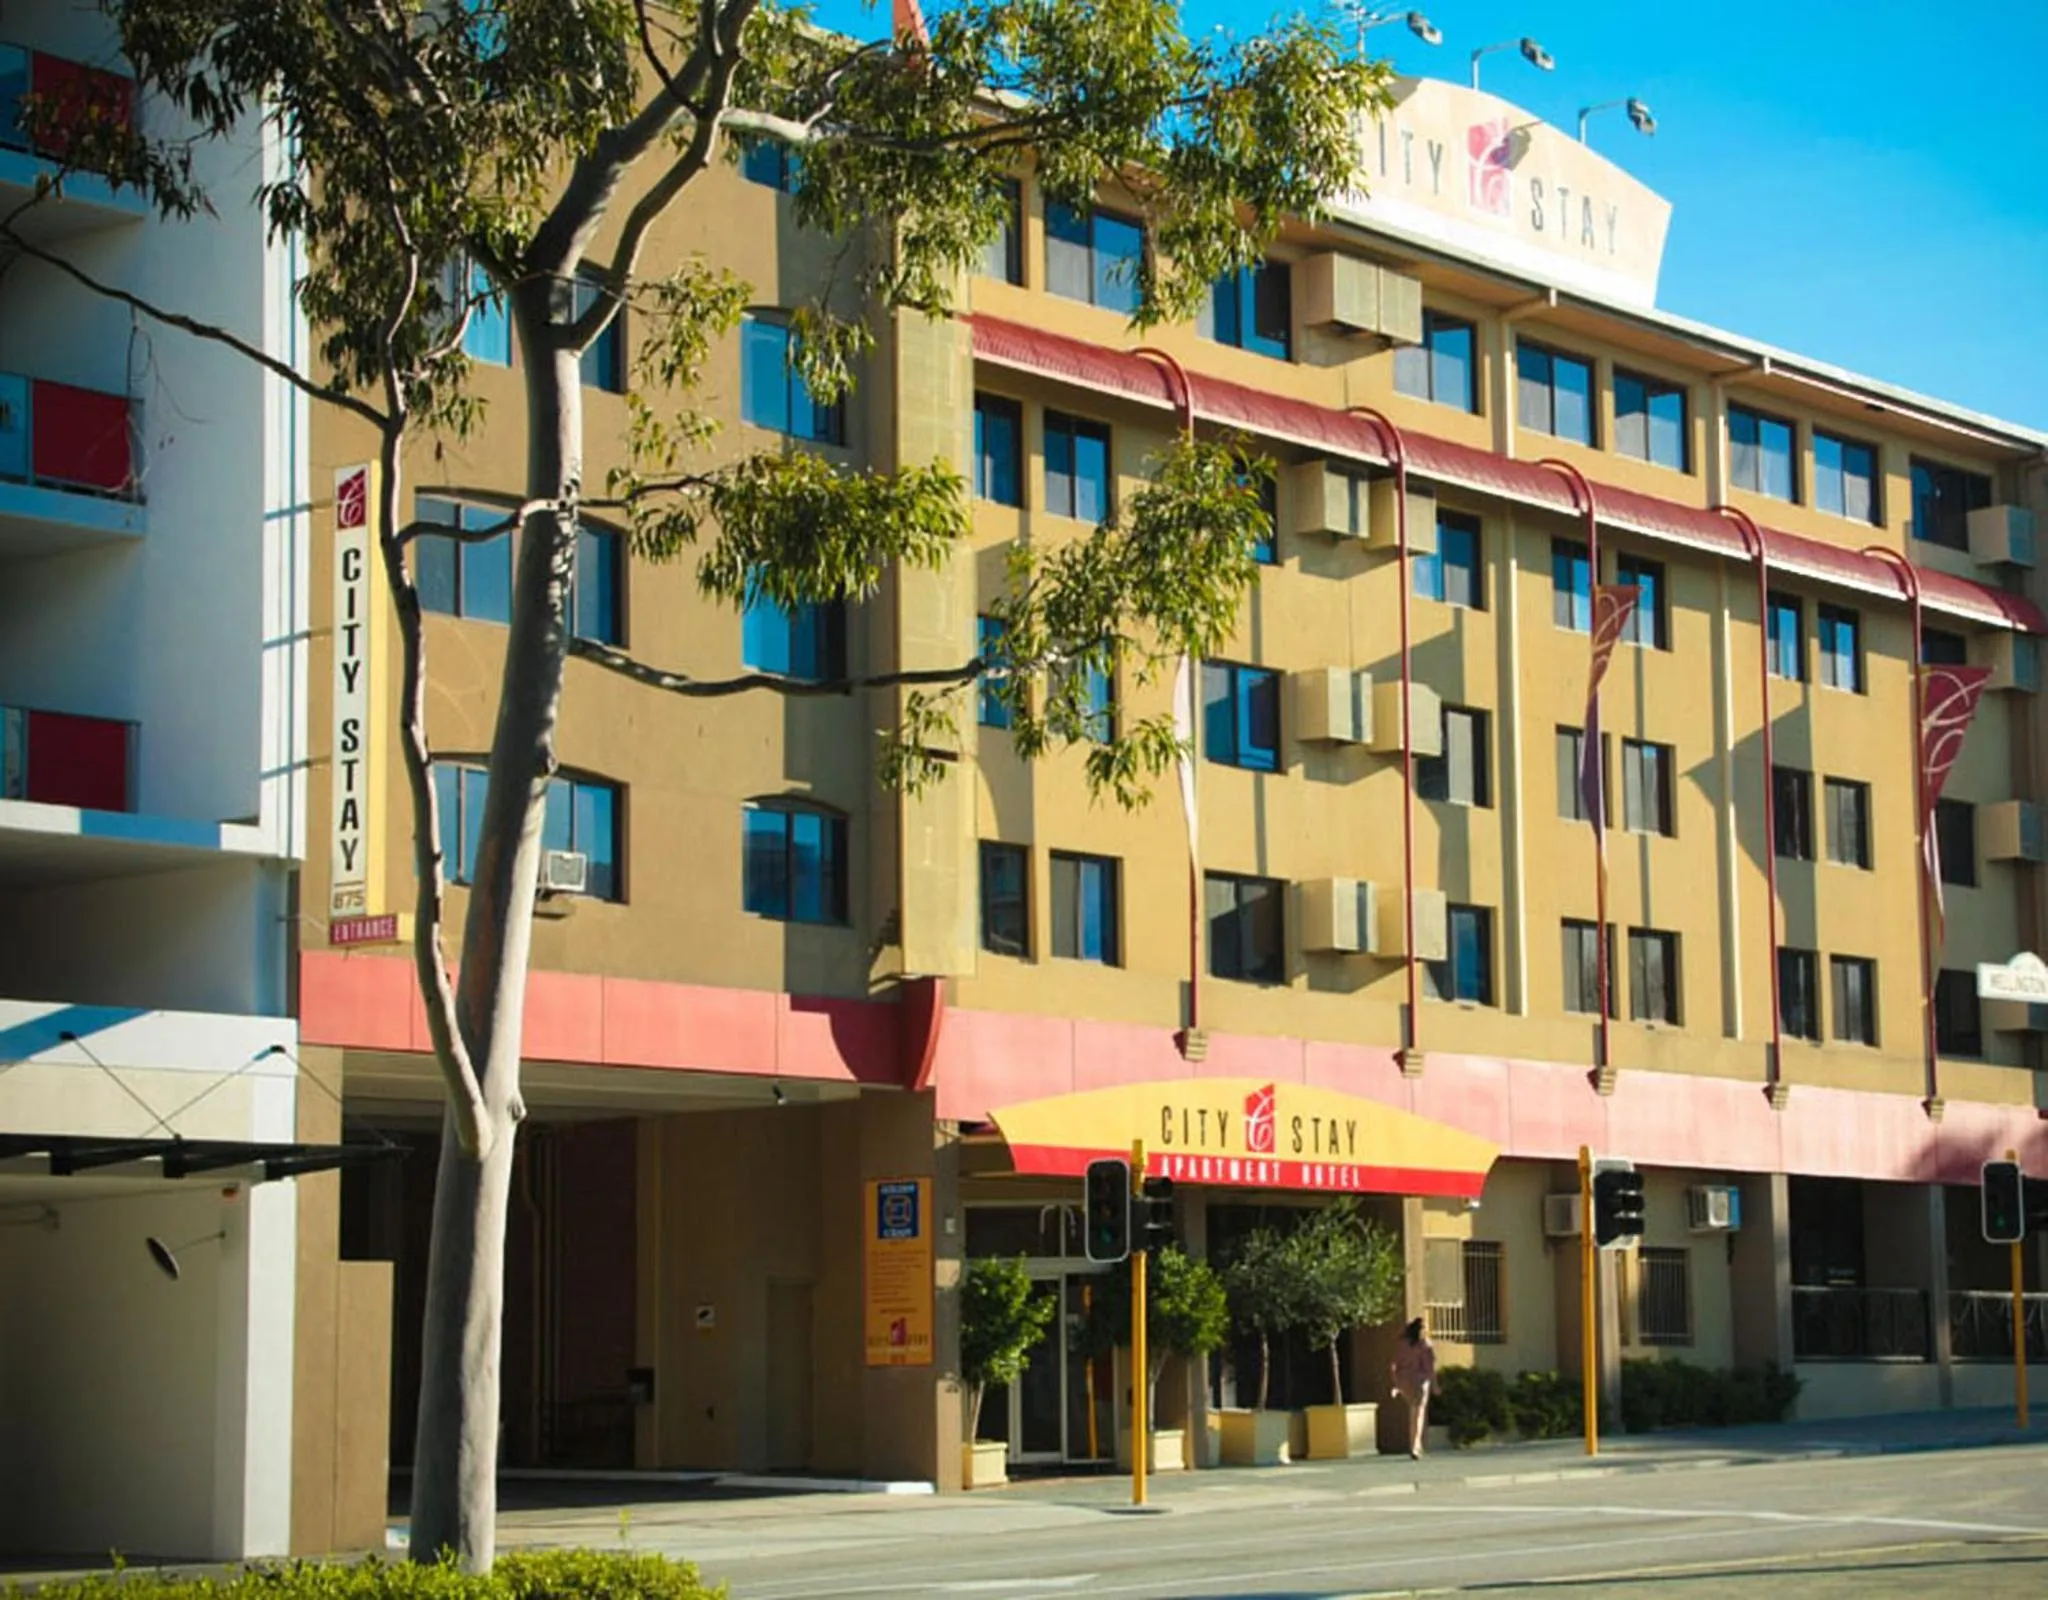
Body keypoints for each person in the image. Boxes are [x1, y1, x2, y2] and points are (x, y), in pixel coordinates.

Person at [1389, 1315, 1436, 1459]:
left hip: (1405, 1381)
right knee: (1419, 1413)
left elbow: (1394, 1364)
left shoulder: (1402, 1344)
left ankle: (1416, 1444)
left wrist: (1397, 1383)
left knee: (1412, 1411)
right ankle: (1415, 1445)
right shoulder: (1425, 1345)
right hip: (1420, 1382)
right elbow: (1429, 1368)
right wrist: (1435, 1385)